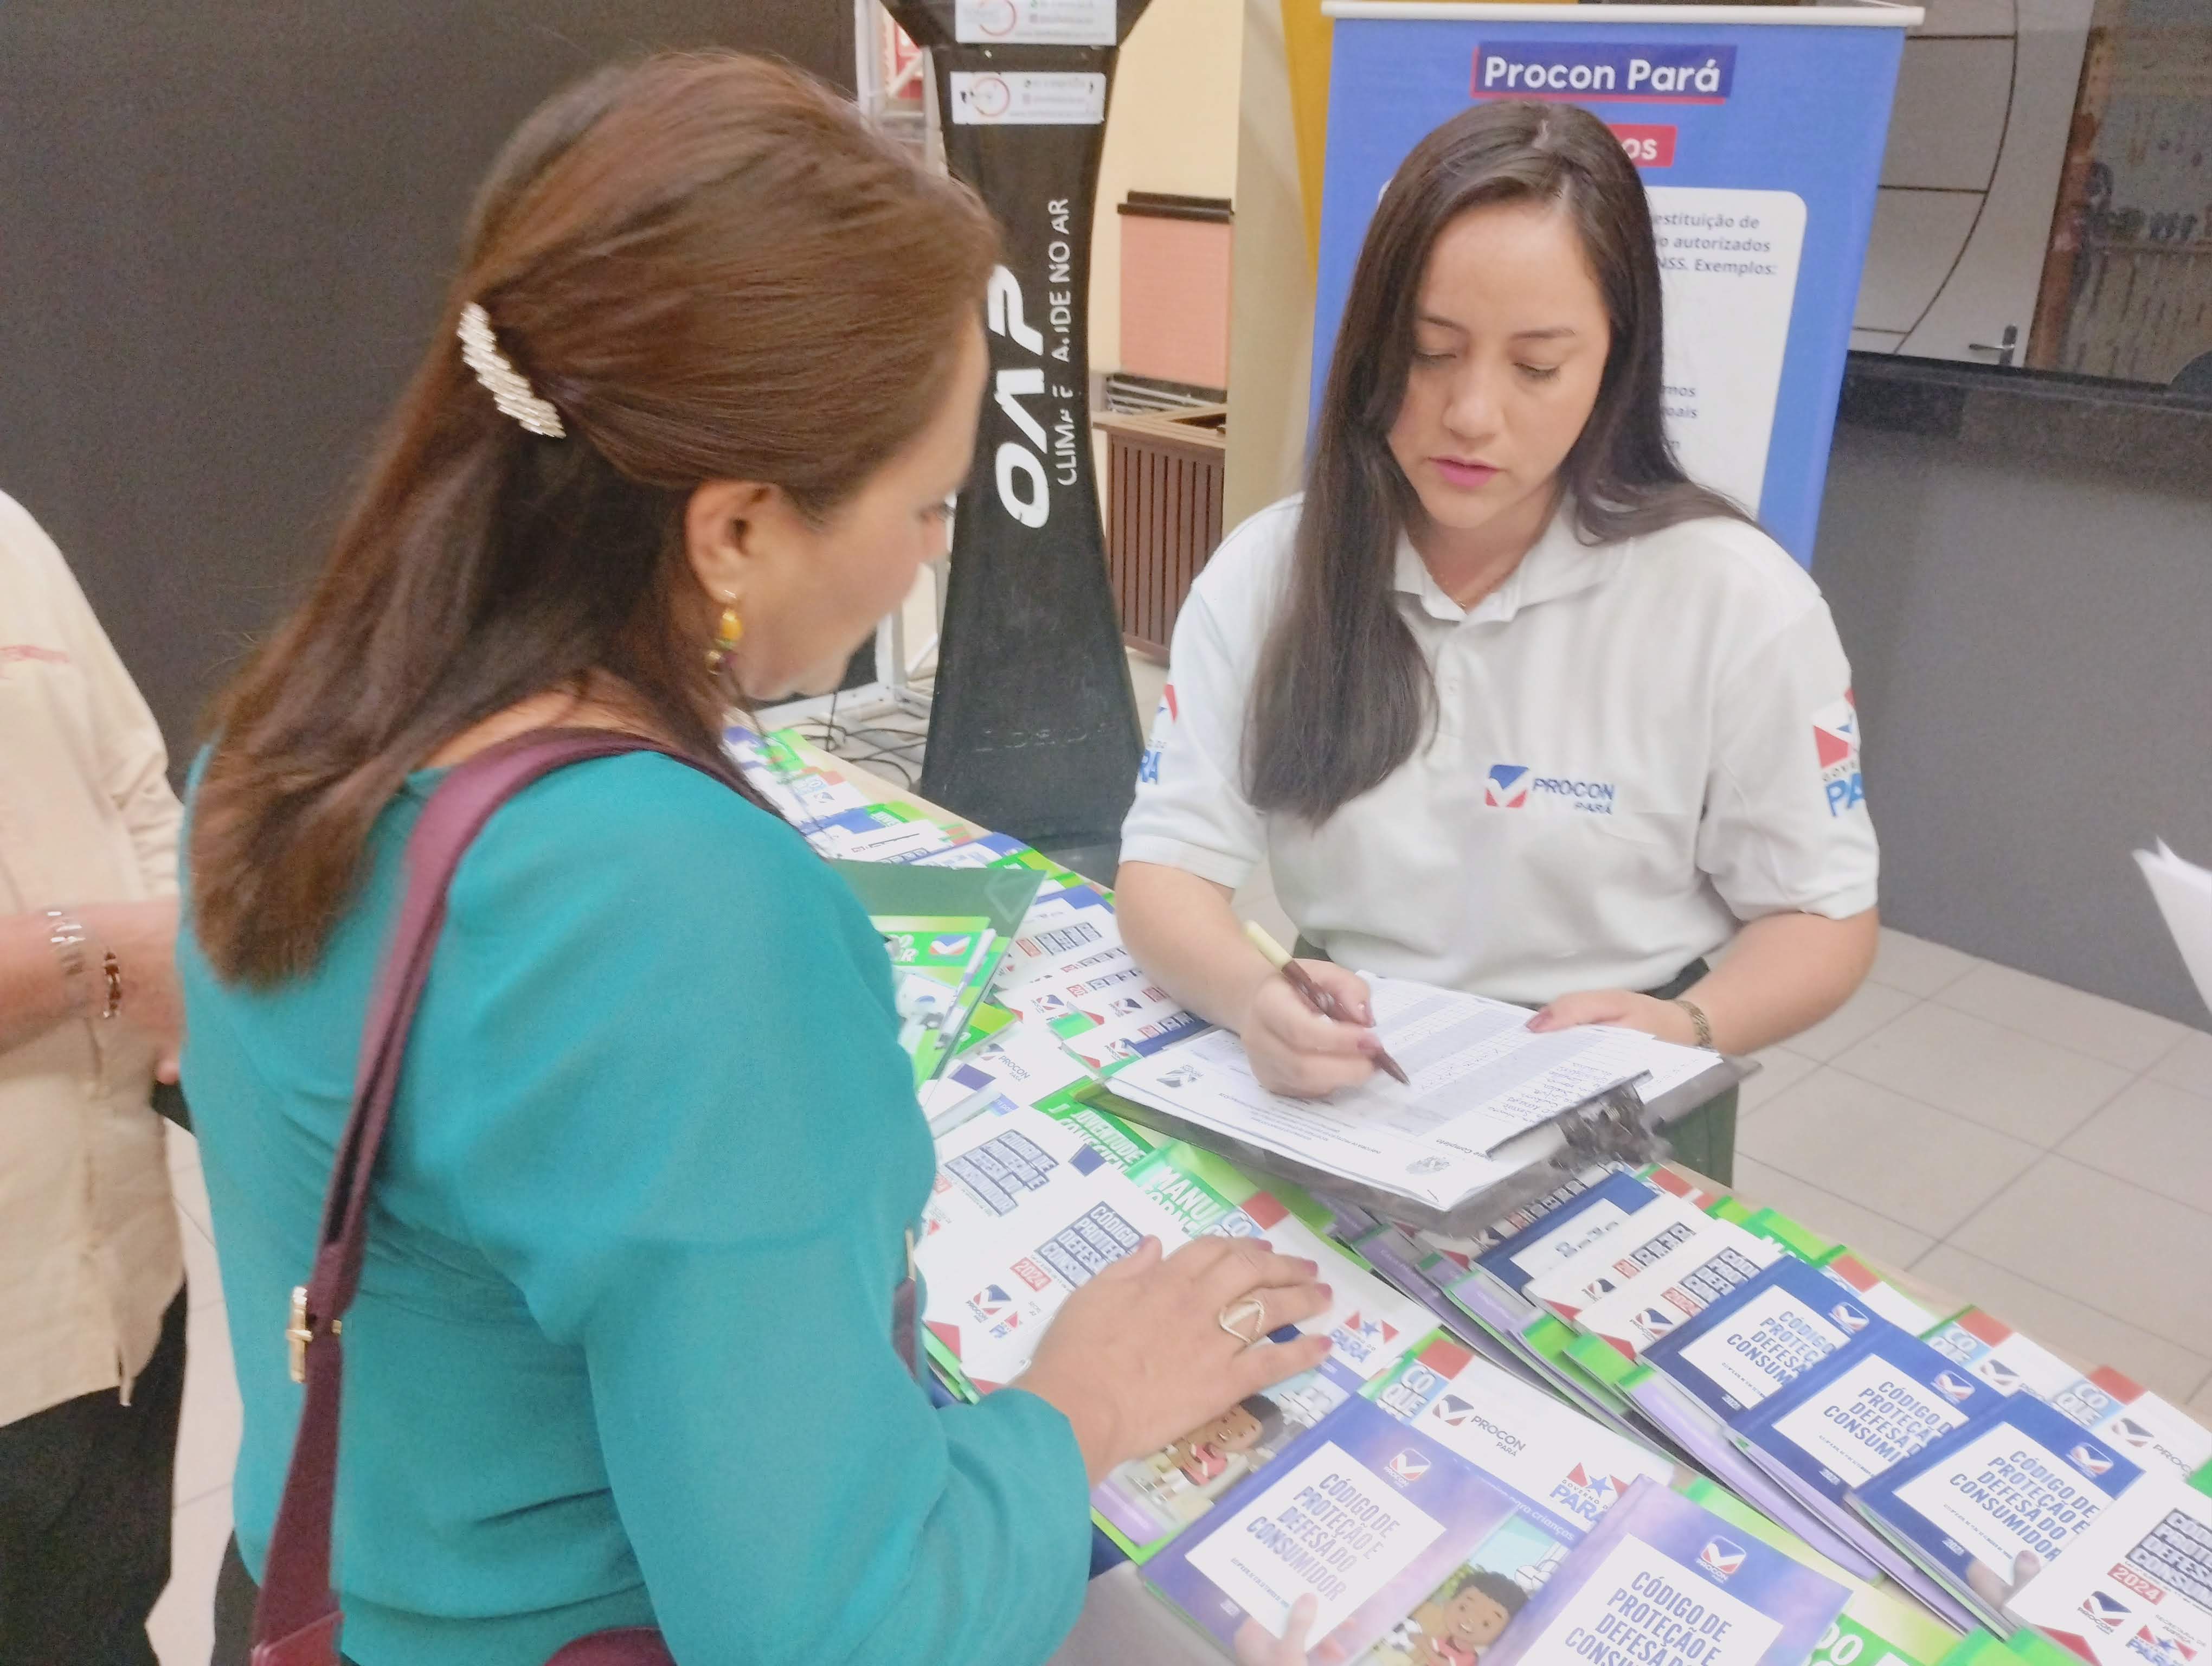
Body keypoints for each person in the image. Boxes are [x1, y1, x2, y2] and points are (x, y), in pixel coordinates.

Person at [179, 53, 1334, 1666]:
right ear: (733, 527)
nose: (935, 552)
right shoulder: (682, 914)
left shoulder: (285, 737)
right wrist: (1080, 1405)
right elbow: (835, 1628)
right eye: (929, 508)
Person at [1116, 101, 1881, 1181]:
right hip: (1352, 1072)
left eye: (1537, 368)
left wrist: (1693, 1028)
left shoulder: (1735, 600)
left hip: (1622, 1087)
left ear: (1614, 367)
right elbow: (1166, 870)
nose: (1472, 414)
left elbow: (1823, 916)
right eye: (1430, 353)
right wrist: (1252, 999)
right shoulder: (1272, 573)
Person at [0, 489, 189, 1663]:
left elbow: (135, 788)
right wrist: (102, 958)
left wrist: (189, 999)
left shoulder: (8, 532)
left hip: (121, 1294)